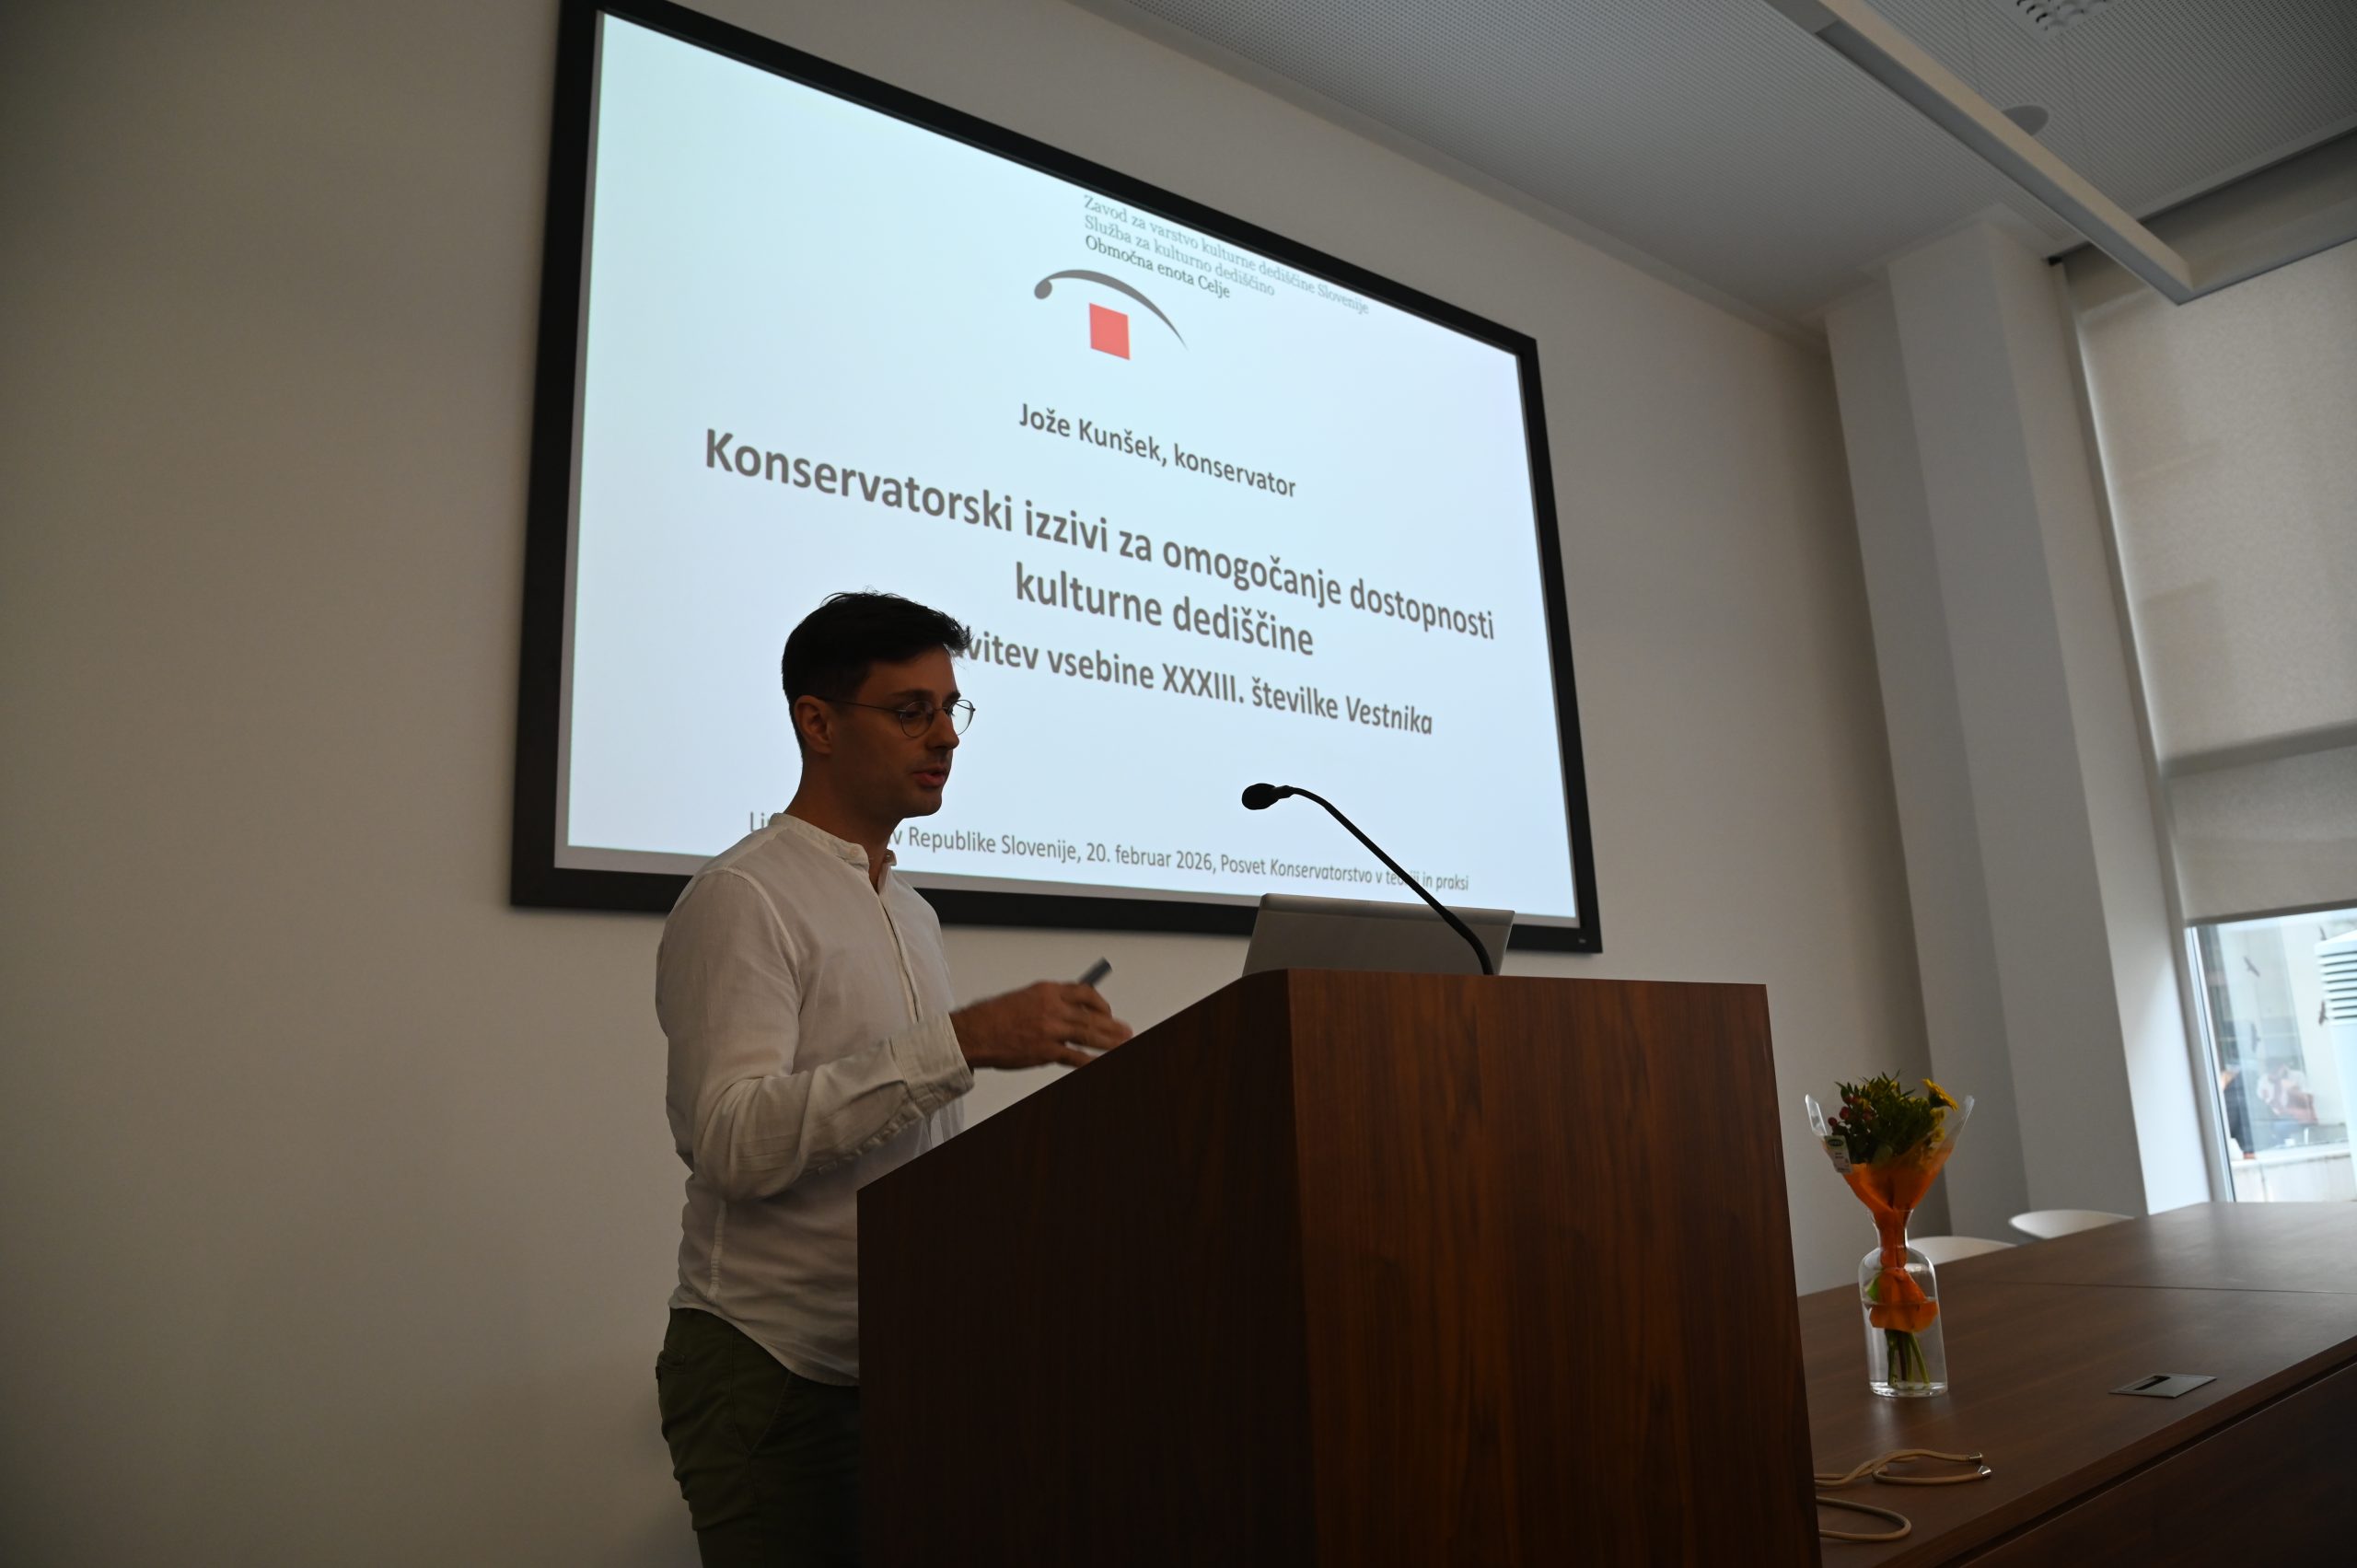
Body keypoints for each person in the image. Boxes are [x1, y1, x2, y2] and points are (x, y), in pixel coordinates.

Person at [653, 591, 1132, 1567]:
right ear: (818, 722)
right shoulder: (743, 896)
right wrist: (962, 1042)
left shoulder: (910, 910)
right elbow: (732, 1140)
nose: (946, 736)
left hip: (910, 1362)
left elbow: (908, 1130)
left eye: (952, 709)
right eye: (912, 710)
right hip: (773, 1368)